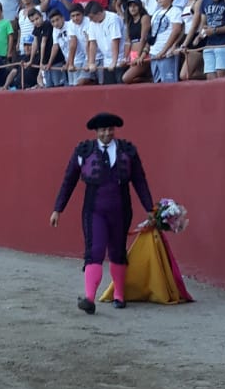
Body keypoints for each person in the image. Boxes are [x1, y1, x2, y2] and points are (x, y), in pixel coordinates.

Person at [50, 113, 155, 313]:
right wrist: (58, 209)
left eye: (110, 130)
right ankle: (89, 298)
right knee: (95, 251)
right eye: (103, 130)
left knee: (117, 250)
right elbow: (68, 181)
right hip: (94, 210)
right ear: (96, 132)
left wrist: (149, 208)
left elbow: (140, 181)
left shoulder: (127, 151)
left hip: (121, 209)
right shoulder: (83, 151)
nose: (107, 133)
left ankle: (119, 295)